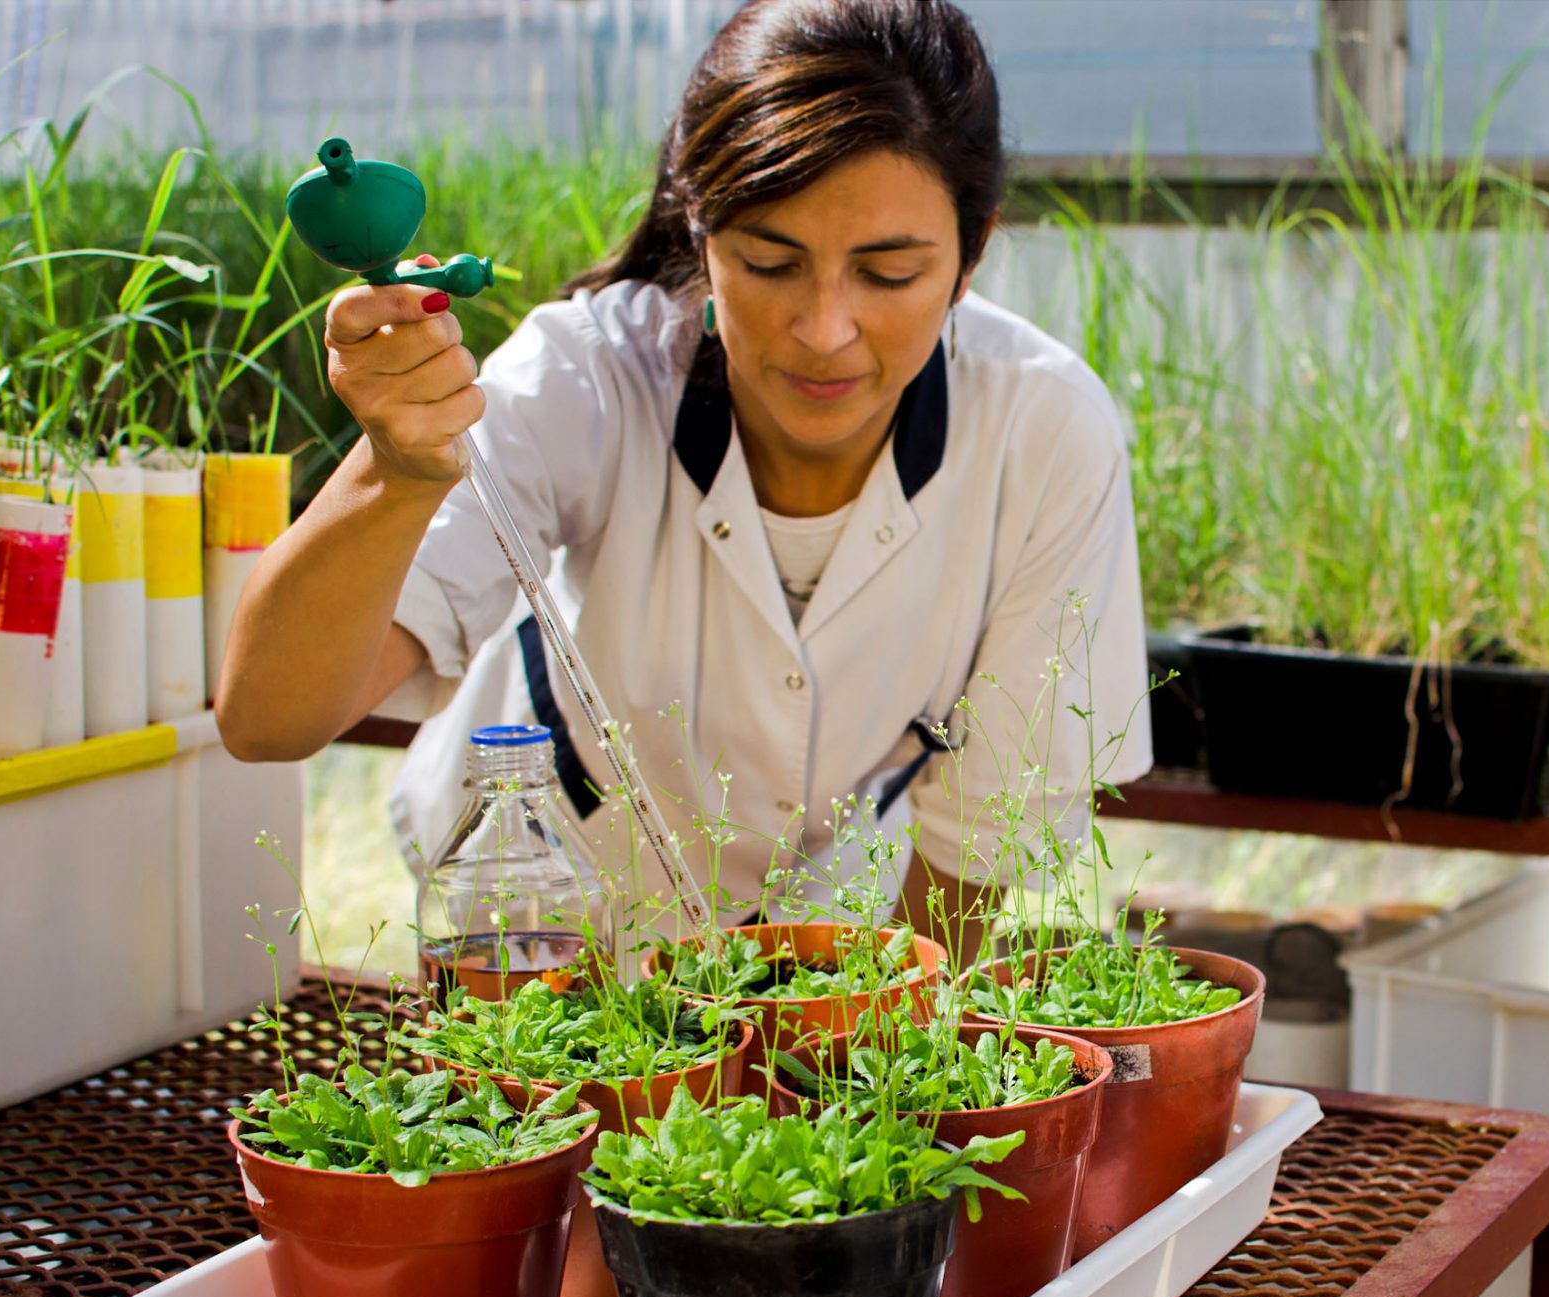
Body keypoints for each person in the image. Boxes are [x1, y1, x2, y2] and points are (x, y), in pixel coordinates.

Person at [216, 0, 1150, 963]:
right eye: (769, 262)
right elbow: (267, 718)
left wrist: (876, 1048)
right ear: (701, 231)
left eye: (888, 273)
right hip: (538, 913)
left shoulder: (1042, 431)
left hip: (817, 922)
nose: (826, 329)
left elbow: (982, 828)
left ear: (972, 253)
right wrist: (399, 470)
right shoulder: (586, 375)